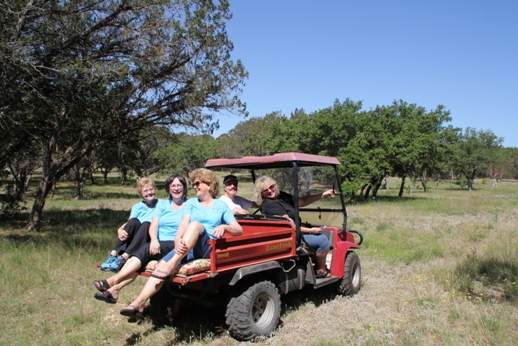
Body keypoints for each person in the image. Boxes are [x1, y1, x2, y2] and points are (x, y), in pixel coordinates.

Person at [119, 168, 243, 317]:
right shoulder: (191, 203)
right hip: (186, 247)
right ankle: (137, 303)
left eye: (198, 183)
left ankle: (173, 262)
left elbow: (238, 229)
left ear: (209, 185)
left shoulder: (220, 206)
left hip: (206, 246)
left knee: (196, 225)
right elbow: (183, 225)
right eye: (193, 183)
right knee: (162, 266)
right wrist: (177, 240)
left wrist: (224, 226)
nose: (195, 186)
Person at [93, 175, 189, 304]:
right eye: (173, 186)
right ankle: (114, 290)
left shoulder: (189, 205)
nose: (176, 188)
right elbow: (147, 224)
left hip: (171, 244)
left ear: (185, 187)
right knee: (141, 257)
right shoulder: (164, 205)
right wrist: (121, 229)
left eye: (179, 185)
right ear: (168, 189)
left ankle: (113, 281)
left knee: (143, 250)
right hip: (154, 242)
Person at [254, 175, 335, 278]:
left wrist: (322, 194)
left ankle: (313, 262)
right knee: (323, 240)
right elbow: (290, 225)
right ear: (261, 193)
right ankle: (321, 269)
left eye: (271, 187)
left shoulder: (281, 196)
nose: (270, 191)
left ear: (275, 186)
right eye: (265, 190)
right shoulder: (269, 205)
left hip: (294, 233)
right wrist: (311, 230)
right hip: (291, 238)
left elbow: (302, 202)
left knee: (318, 234)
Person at [99, 177, 159, 272]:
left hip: (147, 237)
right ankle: (113, 254)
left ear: (155, 189)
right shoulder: (137, 207)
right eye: (145, 191)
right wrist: (120, 229)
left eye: (151, 189)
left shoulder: (161, 205)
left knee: (147, 224)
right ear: (141, 193)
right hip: (134, 237)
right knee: (134, 221)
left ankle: (123, 258)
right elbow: (130, 222)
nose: (149, 193)